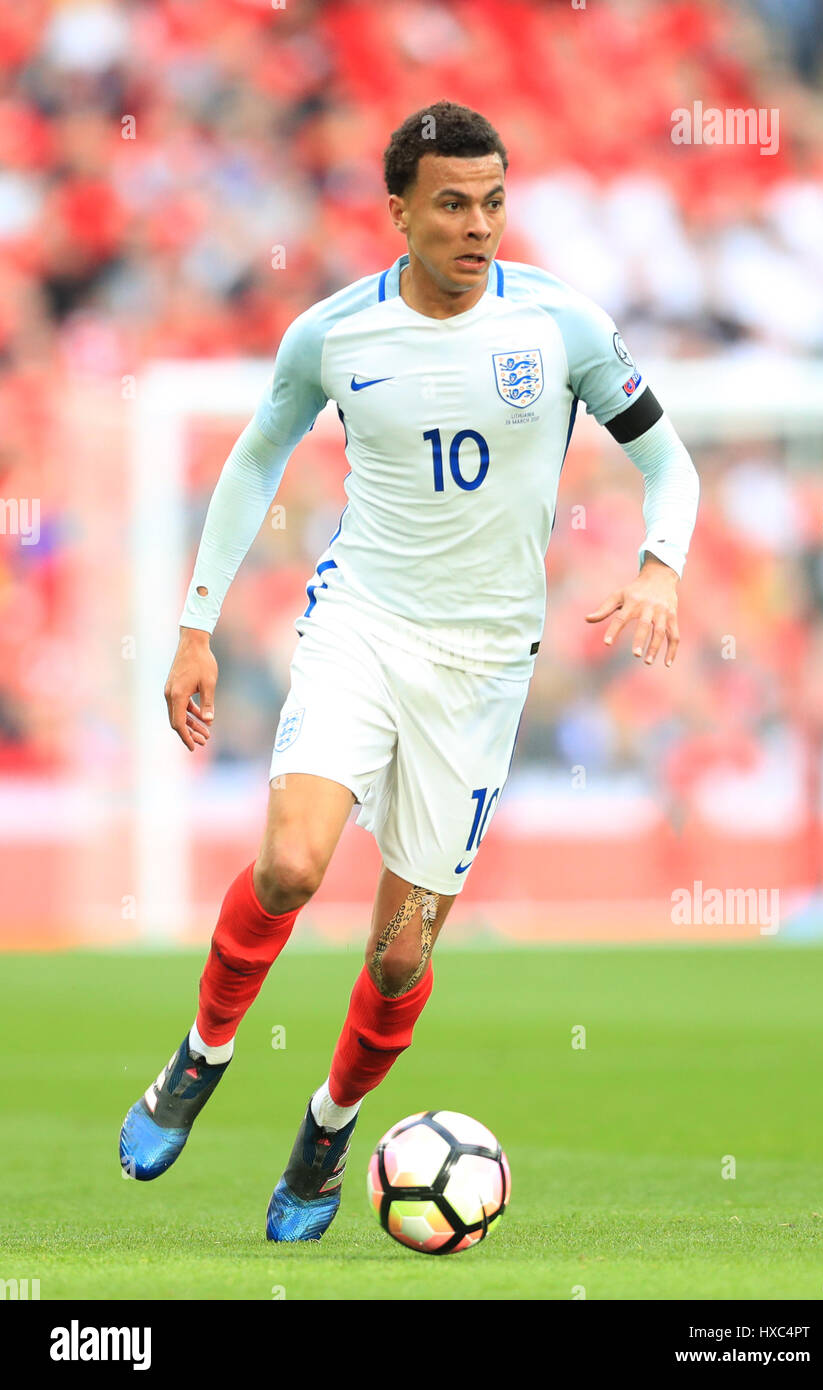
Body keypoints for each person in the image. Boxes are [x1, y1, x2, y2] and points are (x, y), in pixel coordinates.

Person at [119, 101, 699, 1242]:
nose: (476, 224)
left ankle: (330, 1125)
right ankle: (200, 1055)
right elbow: (252, 461)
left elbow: (665, 463)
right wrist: (194, 625)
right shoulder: (333, 335)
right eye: (449, 203)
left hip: (483, 669)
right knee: (288, 865)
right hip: (362, 625)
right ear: (397, 212)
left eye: (490, 201)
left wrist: (659, 567)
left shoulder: (563, 327)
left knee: (396, 958)